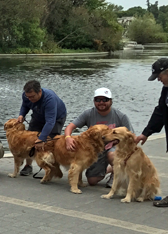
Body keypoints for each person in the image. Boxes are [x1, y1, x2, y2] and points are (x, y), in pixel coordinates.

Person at [64, 88, 133, 188]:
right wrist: (68, 138)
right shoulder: (88, 113)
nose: (101, 102)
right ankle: (110, 169)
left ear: (111, 101)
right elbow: (70, 127)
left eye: (105, 100)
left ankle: (116, 174)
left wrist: (120, 146)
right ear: (94, 101)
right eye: (98, 100)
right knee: (92, 180)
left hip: (114, 148)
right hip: (96, 150)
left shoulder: (121, 116)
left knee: (112, 155)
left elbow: (131, 137)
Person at [135, 58, 168, 207]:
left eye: (159, 77)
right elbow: (160, 111)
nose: (158, 80)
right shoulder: (166, 89)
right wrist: (146, 133)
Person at [17, 80, 67, 176]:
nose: (29, 98)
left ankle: (53, 167)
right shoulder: (26, 96)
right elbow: (25, 105)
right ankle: (28, 166)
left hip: (56, 118)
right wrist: (21, 114)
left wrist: (41, 138)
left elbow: (50, 122)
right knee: (30, 140)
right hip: (38, 115)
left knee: (50, 142)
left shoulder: (49, 99)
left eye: (32, 96)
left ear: (39, 92)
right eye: (28, 96)